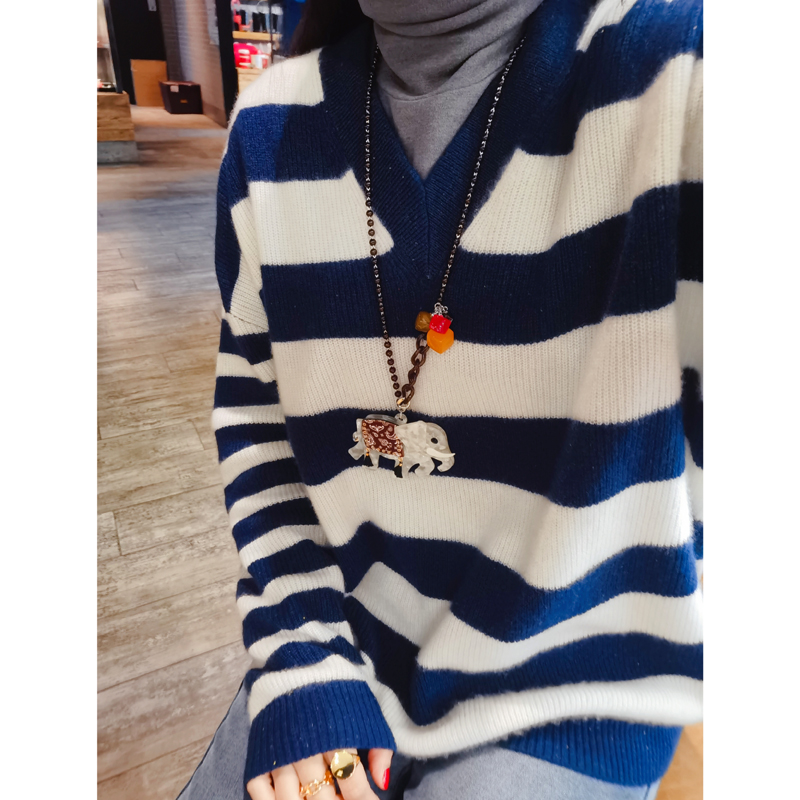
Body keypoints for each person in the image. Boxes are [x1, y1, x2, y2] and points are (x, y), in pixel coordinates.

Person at [179, 0, 703, 797]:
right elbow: (262, 431)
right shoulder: (269, 127)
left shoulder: (679, 66)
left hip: (573, 696)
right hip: (341, 645)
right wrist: (305, 658)